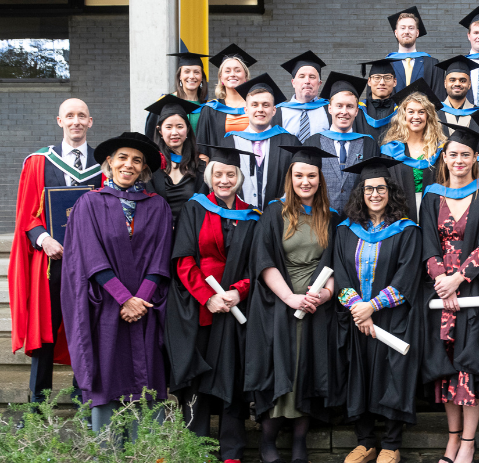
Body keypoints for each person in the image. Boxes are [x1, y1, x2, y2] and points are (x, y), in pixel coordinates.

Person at [60, 132, 172, 431]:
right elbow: (90, 258)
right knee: (107, 372)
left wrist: (141, 299)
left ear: (144, 169)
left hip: (146, 308)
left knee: (148, 377)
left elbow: (160, 259)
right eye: (122, 158)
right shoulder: (89, 204)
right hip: (106, 307)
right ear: (109, 163)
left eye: (137, 160)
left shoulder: (157, 206)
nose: (129, 165)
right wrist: (126, 299)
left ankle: (149, 448)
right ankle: (107, 448)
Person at [420, 127, 479, 463]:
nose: (459, 160)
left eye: (465, 155)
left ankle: (469, 443)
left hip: (473, 290)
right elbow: (427, 243)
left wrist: (457, 279)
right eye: (453, 154)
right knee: (445, 365)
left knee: (468, 364)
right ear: (444, 158)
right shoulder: (432, 194)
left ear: (476, 158)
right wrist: (439, 279)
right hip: (439, 292)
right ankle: (452, 440)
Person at [244, 145, 340, 463]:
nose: (305, 181)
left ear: (320, 178)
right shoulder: (275, 212)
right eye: (299, 175)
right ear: (290, 177)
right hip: (279, 303)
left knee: (306, 368)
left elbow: (336, 263)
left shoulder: (330, 217)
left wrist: (325, 294)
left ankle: (300, 441)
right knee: (279, 365)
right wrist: (289, 297)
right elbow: (263, 259)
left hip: (316, 304)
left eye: (311, 175)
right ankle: (268, 442)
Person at [164, 145, 260, 463]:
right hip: (201, 308)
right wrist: (208, 297)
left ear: (239, 177)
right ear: (209, 177)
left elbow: (256, 265)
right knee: (197, 381)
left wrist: (238, 292)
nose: (224, 179)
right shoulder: (196, 208)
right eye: (218, 174)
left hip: (236, 309)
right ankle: (198, 450)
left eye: (230, 174)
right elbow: (184, 260)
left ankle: (232, 451)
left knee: (233, 378)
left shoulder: (251, 216)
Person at [10, 98, 101, 406]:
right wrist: (44, 239)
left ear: (90, 122)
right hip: (51, 262)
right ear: (59, 121)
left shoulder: (105, 164)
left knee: (86, 329)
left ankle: (84, 400)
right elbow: (26, 216)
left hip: (91, 264)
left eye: (81, 116)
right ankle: (37, 405)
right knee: (46, 331)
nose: (76, 121)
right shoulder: (39, 161)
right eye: (69, 116)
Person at [332, 157, 422, 463]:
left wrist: (372, 305)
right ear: (361, 191)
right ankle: (366, 441)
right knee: (358, 375)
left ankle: (392, 445)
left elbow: (407, 275)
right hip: (356, 319)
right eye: (369, 188)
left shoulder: (407, 230)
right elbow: (340, 273)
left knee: (392, 375)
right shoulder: (345, 230)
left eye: (380, 188)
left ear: (390, 191)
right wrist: (357, 306)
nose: (374, 194)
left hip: (392, 318)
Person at [211, 73, 301, 210]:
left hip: (279, 219)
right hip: (239, 219)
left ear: (274, 110)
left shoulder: (290, 143)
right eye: (255, 105)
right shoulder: (230, 142)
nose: (260, 109)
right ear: (246, 110)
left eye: (266, 105)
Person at [305, 72, 379, 214]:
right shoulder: (313, 142)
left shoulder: (368, 143)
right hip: (320, 217)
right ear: (330, 108)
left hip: (358, 220)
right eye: (339, 106)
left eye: (350, 107)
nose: (344, 112)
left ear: (357, 111)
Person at [379, 80, 447, 223]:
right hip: (399, 213)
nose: (416, 117)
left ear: (428, 116)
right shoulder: (391, 150)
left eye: (421, 112)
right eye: (411, 112)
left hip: (435, 212)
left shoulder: (439, 149)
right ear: (403, 116)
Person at [144, 94, 206, 226]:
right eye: (168, 127)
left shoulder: (199, 166)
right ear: (160, 131)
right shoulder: (150, 167)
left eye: (179, 126)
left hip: (190, 236)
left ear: (188, 130)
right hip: (159, 235)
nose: (174, 132)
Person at [197, 44, 257, 149]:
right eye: (227, 71)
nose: (232, 74)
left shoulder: (256, 107)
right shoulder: (210, 109)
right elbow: (202, 149)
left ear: (245, 76)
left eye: (237, 70)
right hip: (221, 164)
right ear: (221, 78)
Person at [144, 51, 210, 141]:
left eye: (196, 72)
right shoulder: (165, 102)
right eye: (187, 71)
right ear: (180, 76)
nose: (192, 76)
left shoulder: (209, 106)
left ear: (202, 77)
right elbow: (151, 135)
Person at [386, 6, 445, 99]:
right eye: (403, 28)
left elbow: (439, 97)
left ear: (417, 33)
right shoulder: (386, 64)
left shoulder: (432, 64)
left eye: (411, 28)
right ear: (396, 33)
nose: (406, 31)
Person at [279, 49, 331, 142]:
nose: (307, 81)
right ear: (293, 82)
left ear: (319, 83)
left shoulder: (330, 111)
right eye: (302, 76)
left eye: (312, 77)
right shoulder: (279, 112)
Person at [356, 59, 399, 139]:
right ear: (369, 81)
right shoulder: (358, 110)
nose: (382, 82)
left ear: (395, 82)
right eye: (377, 77)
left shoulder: (401, 111)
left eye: (387, 78)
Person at [436, 55, 479, 128]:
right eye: (452, 80)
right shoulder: (433, 113)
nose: (457, 84)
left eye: (462, 81)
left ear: (469, 84)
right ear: (445, 83)